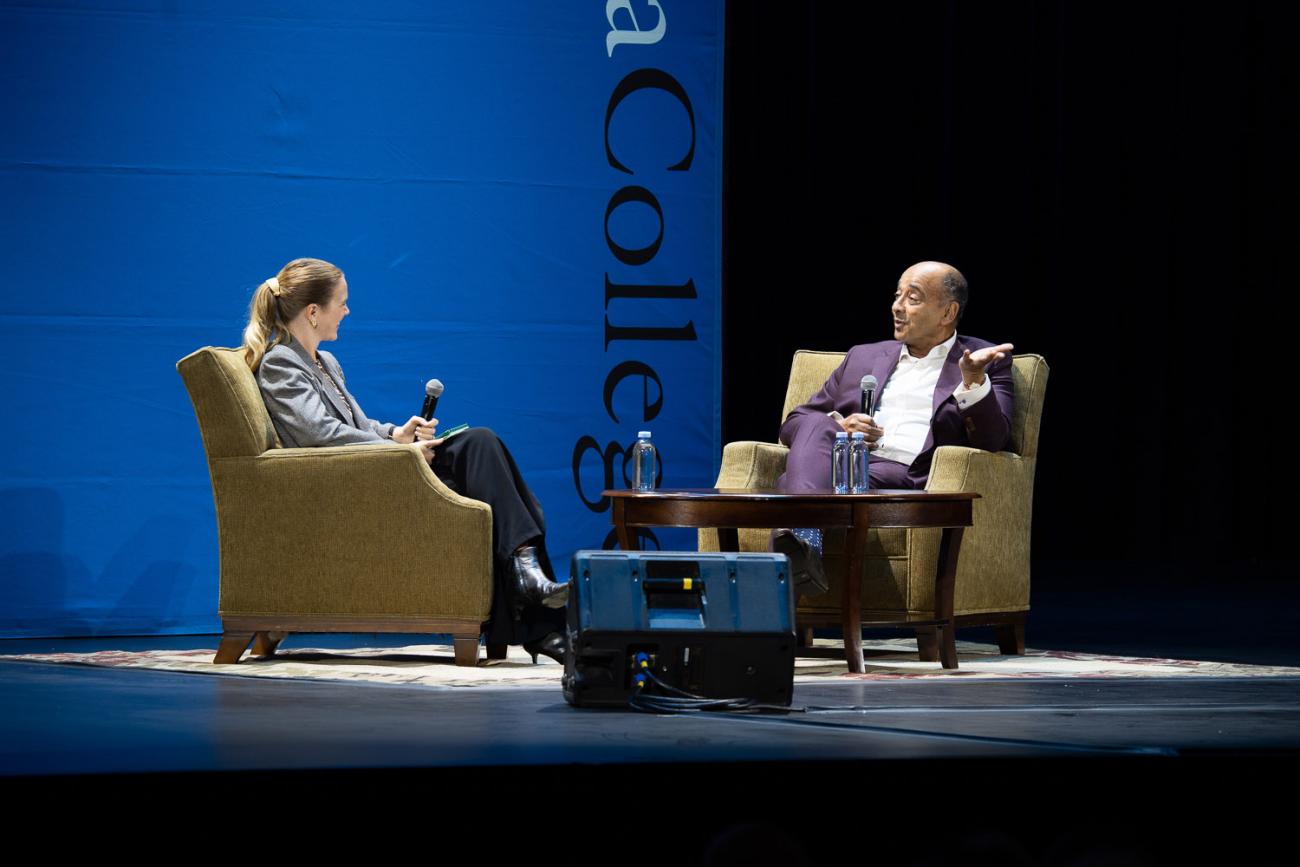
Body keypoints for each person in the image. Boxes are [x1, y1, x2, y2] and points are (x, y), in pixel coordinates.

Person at [240, 257, 567, 663]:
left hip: (371, 467)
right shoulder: (280, 364)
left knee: (479, 443)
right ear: (313, 312)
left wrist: (396, 433)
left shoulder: (326, 363)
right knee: (480, 448)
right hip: (346, 487)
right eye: (341, 303)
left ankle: (531, 587)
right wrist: (399, 451)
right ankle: (537, 603)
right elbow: (319, 436)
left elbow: (355, 425)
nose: (347, 311)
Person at [773, 261, 1015, 593]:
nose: (897, 307)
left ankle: (800, 541)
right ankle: (805, 540)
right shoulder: (861, 356)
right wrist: (841, 427)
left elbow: (993, 440)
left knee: (789, 481)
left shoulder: (982, 360)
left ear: (948, 312)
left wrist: (973, 382)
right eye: (897, 295)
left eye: (912, 298)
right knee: (816, 421)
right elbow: (794, 425)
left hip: (904, 472)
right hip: (846, 465)